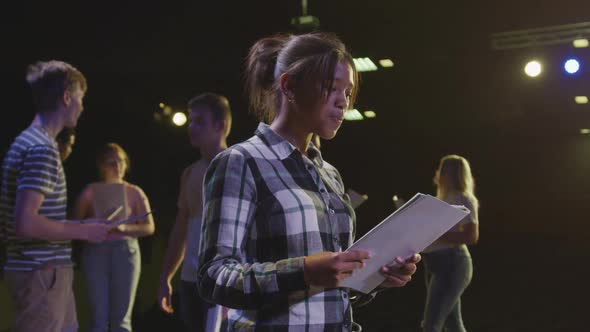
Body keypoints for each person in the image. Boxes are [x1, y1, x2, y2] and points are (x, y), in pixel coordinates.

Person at [196, 32, 420, 331]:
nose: (343, 102)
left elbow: (332, 287)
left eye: (348, 92)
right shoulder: (240, 162)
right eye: (331, 88)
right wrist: (303, 271)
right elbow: (214, 278)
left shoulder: (329, 173)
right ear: (289, 86)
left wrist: (376, 276)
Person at [0, 60, 111, 332]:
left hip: (43, 272)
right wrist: (83, 231)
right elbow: (25, 222)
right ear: (67, 97)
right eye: (81, 98)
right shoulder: (41, 149)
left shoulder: (28, 141)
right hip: (41, 273)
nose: (82, 107)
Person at [158, 93, 232, 331]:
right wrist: (166, 277)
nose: (192, 127)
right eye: (191, 120)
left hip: (225, 280)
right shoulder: (190, 173)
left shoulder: (236, 167)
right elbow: (181, 229)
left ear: (221, 126)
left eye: (200, 121)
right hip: (192, 280)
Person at [72, 143, 155, 332]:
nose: (117, 167)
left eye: (121, 161)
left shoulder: (134, 191)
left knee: (122, 319)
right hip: (96, 251)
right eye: (111, 162)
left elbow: (149, 227)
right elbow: (73, 222)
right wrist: (93, 223)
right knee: (98, 317)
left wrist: (124, 227)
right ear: (101, 166)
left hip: (125, 251)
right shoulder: (90, 191)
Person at [421, 155, 480, 332]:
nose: (438, 173)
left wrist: (436, 233)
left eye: (442, 169)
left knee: (432, 324)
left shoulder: (463, 198)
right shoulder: (444, 198)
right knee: (452, 323)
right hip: (436, 263)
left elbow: (471, 236)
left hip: (452, 262)